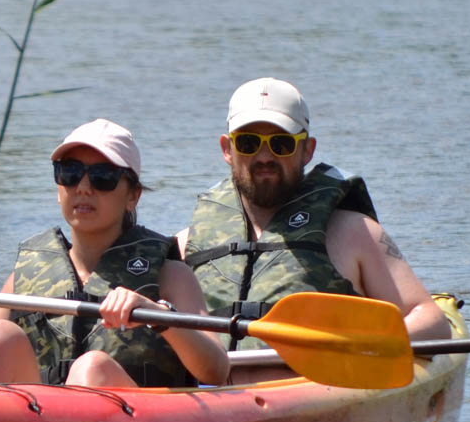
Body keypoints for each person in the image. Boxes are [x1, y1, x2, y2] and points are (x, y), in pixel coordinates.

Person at [0, 119, 230, 388]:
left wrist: (160, 316)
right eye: (70, 172)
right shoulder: (25, 278)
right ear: (58, 187)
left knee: (91, 369)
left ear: (133, 195)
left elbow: (216, 370)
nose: (83, 187)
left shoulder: (170, 275)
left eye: (103, 177)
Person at [175, 77, 453, 346]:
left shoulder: (355, 233)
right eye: (248, 143)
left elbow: (432, 321)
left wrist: (361, 348)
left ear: (307, 150)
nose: (264, 157)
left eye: (281, 144)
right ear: (227, 149)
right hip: (213, 390)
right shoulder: (187, 244)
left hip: (322, 387)